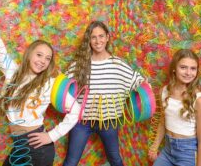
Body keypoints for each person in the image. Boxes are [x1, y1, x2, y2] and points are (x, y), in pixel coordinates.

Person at [0, 0, 80, 166]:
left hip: (38, 147)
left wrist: (51, 136)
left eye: (47, 58)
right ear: (29, 54)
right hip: (18, 144)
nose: (42, 61)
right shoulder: (13, 72)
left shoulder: (50, 82)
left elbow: (76, 109)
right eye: (39, 55)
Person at [63, 21, 147, 166]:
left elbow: (137, 81)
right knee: (71, 161)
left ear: (107, 37)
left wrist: (145, 85)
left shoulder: (118, 64)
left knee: (115, 159)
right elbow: (63, 88)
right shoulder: (80, 65)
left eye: (101, 36)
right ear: (89, 40)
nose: (97, 41)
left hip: (109, 121)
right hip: (82, 121)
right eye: (93, 37)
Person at [148, 49, 201, 166]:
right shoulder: (163, 92)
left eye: (193, 68)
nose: (188, 73)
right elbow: (162, 122)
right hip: (168, 149)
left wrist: (200, 163)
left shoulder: (199, 99)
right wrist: (155, 146)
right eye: (183, 67)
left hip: (188, 151)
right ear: (174, 68)